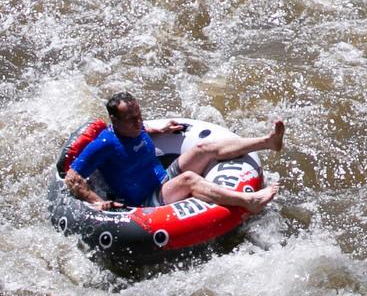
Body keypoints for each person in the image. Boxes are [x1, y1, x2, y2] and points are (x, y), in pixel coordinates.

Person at [62, 92, 283, 216]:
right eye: (131, 119)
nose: (138, 122)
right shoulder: (104, 144)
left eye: (139, 116)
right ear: (115, 121)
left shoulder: (136, 128)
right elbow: (72, 177)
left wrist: (158, 129)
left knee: (202, 149)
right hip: (145, 200)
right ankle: (248, 201)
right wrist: (97, 202)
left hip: (163, 179)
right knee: (189, 180)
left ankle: (268, 142)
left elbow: (139, 129)